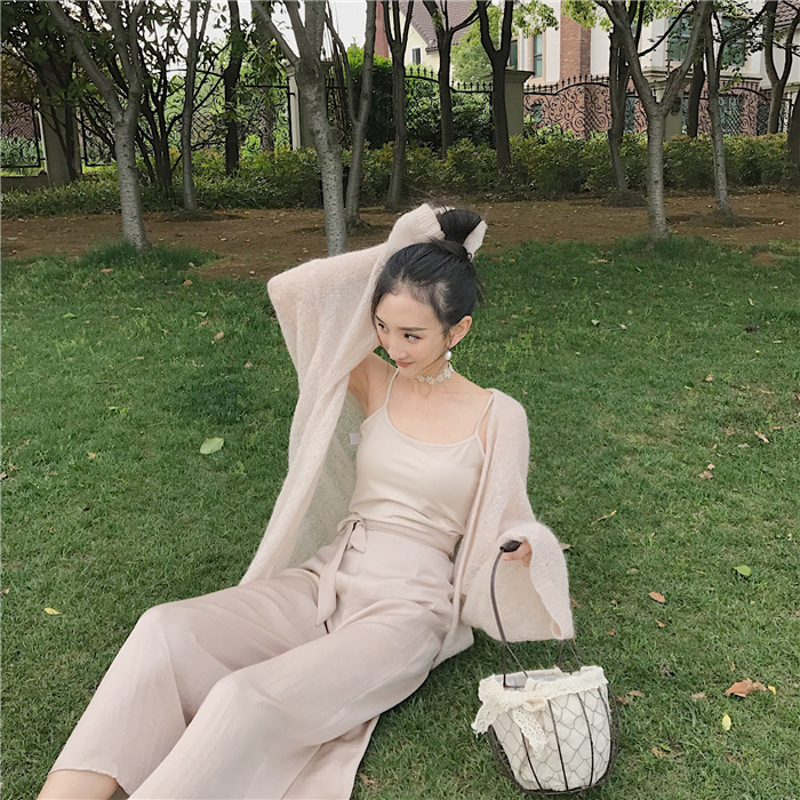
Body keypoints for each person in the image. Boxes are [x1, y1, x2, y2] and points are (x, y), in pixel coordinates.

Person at [38, 203, 574, 800]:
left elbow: (507, 518)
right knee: (164, 629)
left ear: (459, 330)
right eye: (382, 327)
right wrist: (399, 249)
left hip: (408, 609)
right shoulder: (374, 380)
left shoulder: (498, 415)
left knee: (246, 698)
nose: (393, 346)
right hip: (327, 577)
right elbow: (295, 295)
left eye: (412, 335)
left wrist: (523, 550)